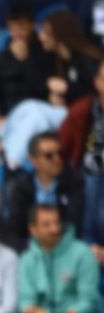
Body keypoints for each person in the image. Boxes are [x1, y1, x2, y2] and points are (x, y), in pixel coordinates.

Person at [18, 203, 102, 313]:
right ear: (32, 229)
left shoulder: (83, 253)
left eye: (57, 223)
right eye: (47, 225)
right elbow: (24, 302)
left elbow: (89, 302)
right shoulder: (26, 259)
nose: (54, 229)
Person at [1, 131, 86, 249]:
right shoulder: (21, 187)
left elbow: (74, 224)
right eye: (49, 155)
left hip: (66, 247)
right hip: (31, 250)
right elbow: (14, 229)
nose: (57, 159)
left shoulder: (73, 182)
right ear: (33, 160)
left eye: (60, 153)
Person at [0, 6, 56, 131]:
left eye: (22, 26)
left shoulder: (46, 54)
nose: (17, 32)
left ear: (32, 25)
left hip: (37, 115)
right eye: (12, 27)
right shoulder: (0, 58)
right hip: (6, 117)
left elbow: (43, 89)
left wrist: (25, 61)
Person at [58, 58, 104, 248]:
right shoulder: (82, 110)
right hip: (85, 178)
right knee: (91, 181)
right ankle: (89, 245)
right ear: (97, 82)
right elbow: (60, 149)